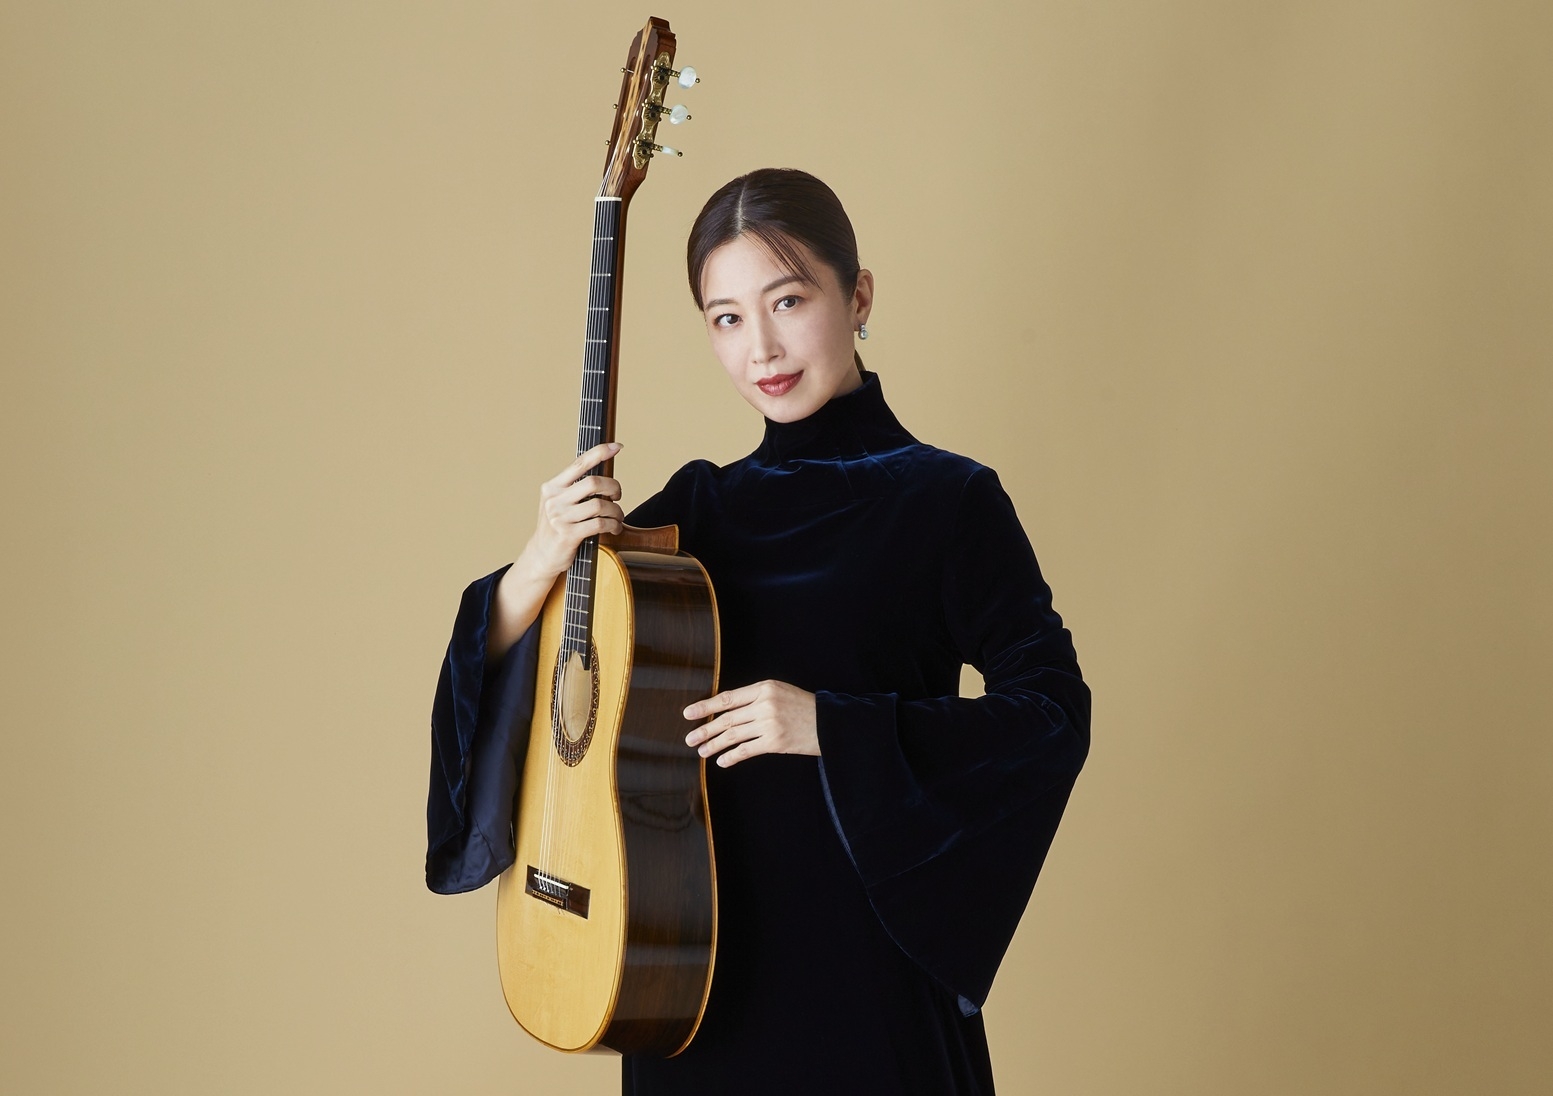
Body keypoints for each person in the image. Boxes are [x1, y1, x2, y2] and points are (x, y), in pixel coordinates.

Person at [425, 168, 1090, 1095]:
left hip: (865, 988)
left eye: (788, 301)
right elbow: (526, 679)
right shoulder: (693, 512)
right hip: (680, 980)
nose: (761, 348)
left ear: (858, 297)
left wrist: (830, 725)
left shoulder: (948, 501)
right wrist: (541, 556)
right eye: (726, 318)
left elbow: (1053, 714)